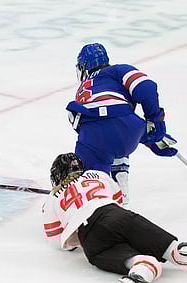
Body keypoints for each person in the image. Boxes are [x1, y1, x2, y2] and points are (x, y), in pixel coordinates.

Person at [42, 152, 187, 283]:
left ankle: (139, 274)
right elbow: (119, 200)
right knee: (168, 248)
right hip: (116, 214)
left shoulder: (52, 198)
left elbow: (55, 241)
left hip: (91, 238)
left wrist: (73, 242)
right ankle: (180, 252)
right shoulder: (98, 175)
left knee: (140, 261)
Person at [66, 43, 178, 205]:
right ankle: (120, 176)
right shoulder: (118, 71)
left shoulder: (82, 90)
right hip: (129, 129)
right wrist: (153, 124)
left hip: (92, 135)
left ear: (83, 66)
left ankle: (89, 195)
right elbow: (146, 87)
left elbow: (101, 130)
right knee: (121, 133)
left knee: (93, 180)